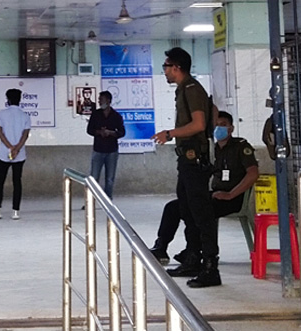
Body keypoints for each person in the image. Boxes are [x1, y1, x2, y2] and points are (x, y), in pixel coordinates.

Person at [151, 47, 220, 288]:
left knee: (201, 215)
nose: (165, 71)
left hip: (195, 160)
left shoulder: (191, 89)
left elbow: (199, 124)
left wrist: (170, 133)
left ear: (177, 67)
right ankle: (193, 258)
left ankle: (210, 266)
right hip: (187, 160)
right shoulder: (184, 89)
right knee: (187, 210)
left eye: (166, 67)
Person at [151, 112, 258, 267]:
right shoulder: (211, 148)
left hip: (233, 198)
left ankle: (194, 251)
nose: (219, 128)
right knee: (174, 207)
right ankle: (161, 247)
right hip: (214, 194)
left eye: (223, 125)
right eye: (216, 125)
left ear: (231, 128)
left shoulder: (240, 147)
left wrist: (230, 194)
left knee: (197, 209)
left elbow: (253, 173)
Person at [0, 88, 31, 220]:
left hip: (4, 153)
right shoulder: (25, 116)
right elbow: (25, 135)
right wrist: (17, 149)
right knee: (17, 182)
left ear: (8, 100)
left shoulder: (2, 114)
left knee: (0, 181)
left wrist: (10, 147)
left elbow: (0, 132)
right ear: (19, 100)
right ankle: (15, 212)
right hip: (19, 154)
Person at [87, 90, 125, 198]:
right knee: (94, 177)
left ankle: (108, 201)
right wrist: (100, 132)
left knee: (109, 179)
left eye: (101, 99)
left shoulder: (116, 116)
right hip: (98, 150)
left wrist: (110, 133)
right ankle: (91, 201)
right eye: (99, 100)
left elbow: (122, 132)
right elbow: (89, 130)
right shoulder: (95, 114)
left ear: (108, 101)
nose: (99, 102)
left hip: (111, 151)